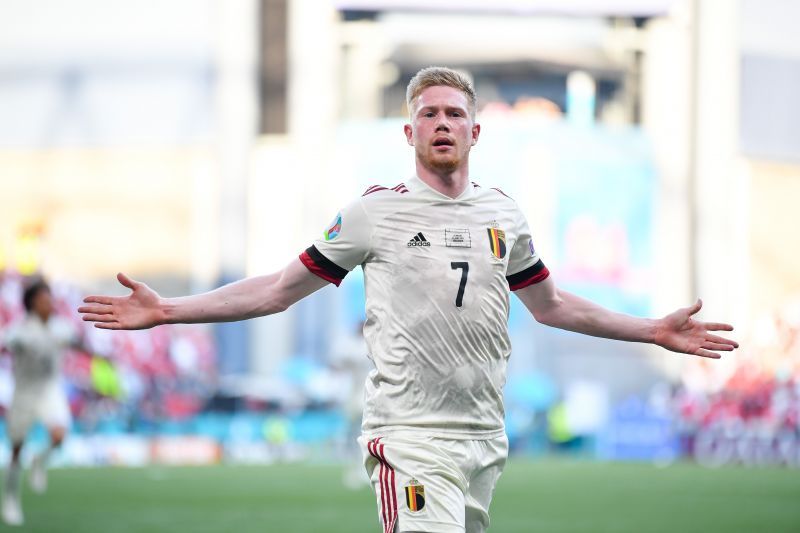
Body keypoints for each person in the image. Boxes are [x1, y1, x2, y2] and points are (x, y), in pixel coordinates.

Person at [78, 67, 739, 533]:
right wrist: (168, 310)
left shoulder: (503, 213)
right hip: (409, 435)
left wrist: (651, 329)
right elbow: (278, 290)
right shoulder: (373, 214)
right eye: (429, 114)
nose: (443, 123)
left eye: (456, 114)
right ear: (410, 133)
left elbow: (554, 305)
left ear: (476, 132)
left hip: (484, 437)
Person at [2, 279, 78, 526]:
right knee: (16, 448)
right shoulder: (20, 331)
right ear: (33, 302)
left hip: (49, 389)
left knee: (59, 435)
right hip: (24, 392)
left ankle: (40, 459)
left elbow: (77, 343)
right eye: (45, 299)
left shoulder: (60, 328)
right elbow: (5, 344)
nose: (50, 303)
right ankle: (11, 498)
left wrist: (102, 357)